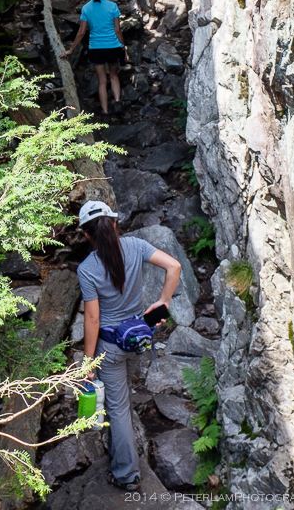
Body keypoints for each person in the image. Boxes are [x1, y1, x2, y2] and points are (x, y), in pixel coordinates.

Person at [77, 200, 181, 493]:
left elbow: (93, 319)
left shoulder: (88, 269)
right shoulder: (135, 246)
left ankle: (127, 475)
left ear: (86, 235)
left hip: (109, 348)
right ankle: (122, 453)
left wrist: (88, 361)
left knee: (118, 407)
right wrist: (163, 302)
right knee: (122, 398)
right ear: (114, 223)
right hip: (137, 338)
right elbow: (174, 266)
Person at [59, 0, 125, 116]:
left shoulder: (86, 8)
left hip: (96, 48)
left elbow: (81, 32)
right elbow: (118, 30)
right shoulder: (113, 6)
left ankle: (105, 112)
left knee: (102, 81)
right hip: (113, 46)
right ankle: (117, 103)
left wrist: (71, 49)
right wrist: (123, 47)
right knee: (114, 75)